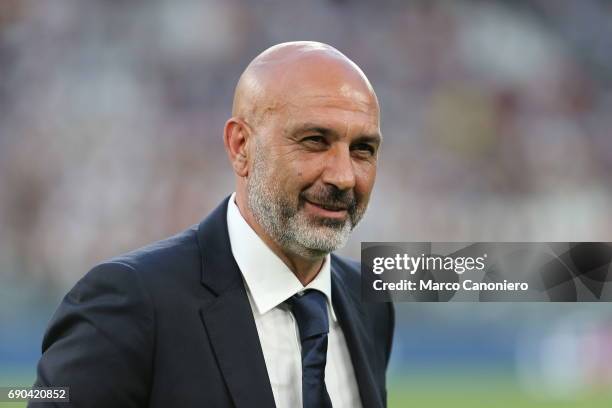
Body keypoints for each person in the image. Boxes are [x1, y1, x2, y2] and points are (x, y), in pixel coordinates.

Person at [31, 41, 394, 408]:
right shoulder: (129, 303)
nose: (344, 176)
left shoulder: (368, 300)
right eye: (314, 141)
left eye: (363, 149)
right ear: (241, 147)